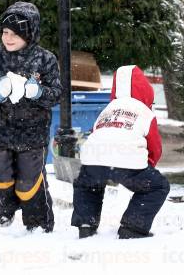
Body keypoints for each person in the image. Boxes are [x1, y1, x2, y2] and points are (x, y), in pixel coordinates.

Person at [0, 2, 62, 232]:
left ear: (29, 34)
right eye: (5, 32)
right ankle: (8, 202)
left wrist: (38, 93)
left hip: (32, 133)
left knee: (29, 184)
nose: (9, 38)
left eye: (15, 34)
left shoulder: (45, 59)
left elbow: (56, 95)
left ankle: (39, 225)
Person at [71, 65, 170, 239]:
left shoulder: (107, 110)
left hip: (94, 160)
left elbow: (95, 133)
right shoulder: (145, 112)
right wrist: (149, 166)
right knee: (157, 186)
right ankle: (133, 227)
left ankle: (86, 224)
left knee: (87, 185)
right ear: (146, 91)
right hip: (129, 165)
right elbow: (155, 146)